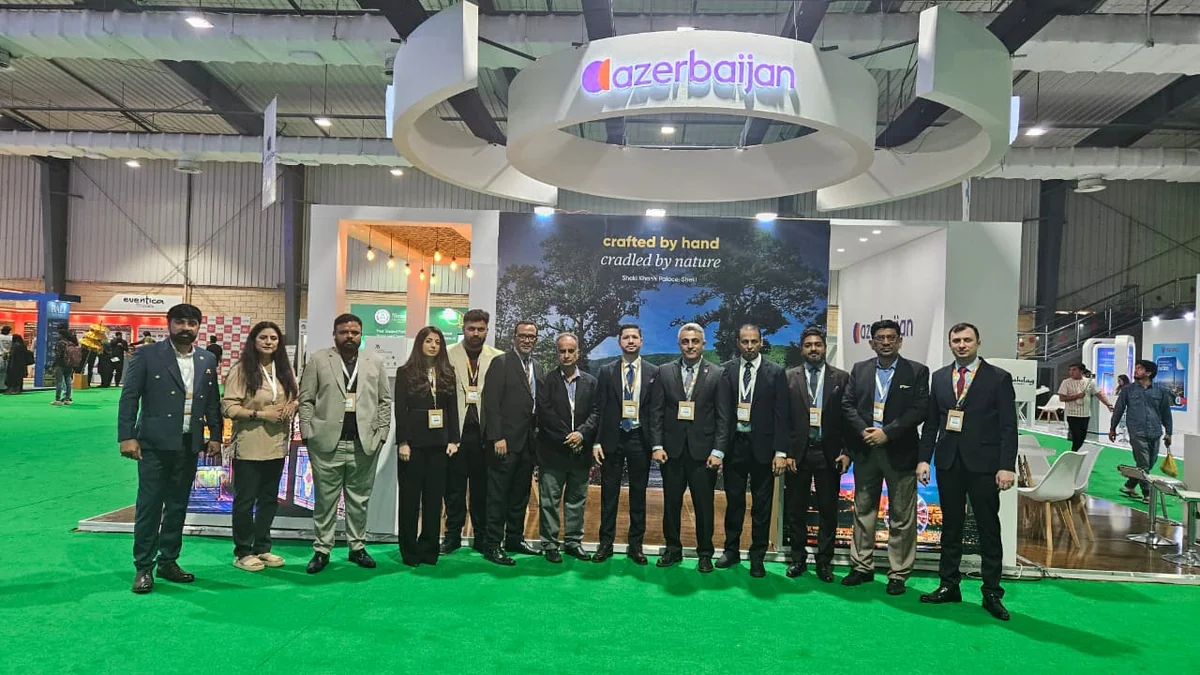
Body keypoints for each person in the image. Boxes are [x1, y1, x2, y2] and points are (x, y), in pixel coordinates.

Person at [117, 303, 222, 594]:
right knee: (150, 506)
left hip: (189, 444)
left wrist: (214, 435)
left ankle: (168, 561)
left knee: (177, 505)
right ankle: (143, 567)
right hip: (153, 444)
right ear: (169, 324)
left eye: (192, 323)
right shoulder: (147, 355)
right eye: (180, 322)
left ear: (198, 327)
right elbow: (129, 397)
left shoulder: (206, 359)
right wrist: (127, 436)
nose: (186, 328)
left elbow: (212, 401)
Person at [917, 323, 1017, 621]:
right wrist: (924, 459)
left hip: (985, 465)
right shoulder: (939, 378)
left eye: (967, 340)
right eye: (956, 340)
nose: (961, 345)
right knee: (950, 527)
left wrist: (1006, 466)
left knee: (988, 528)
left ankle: (992, 592)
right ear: (950, 344)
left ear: (978, 342)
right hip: (948, 462)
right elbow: (932, 423)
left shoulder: (998, 378)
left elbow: (1008, 426)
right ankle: (949, 585)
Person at [840, 319, 929, 595]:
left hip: (900, 452)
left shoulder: (916, 371)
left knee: (901, 516)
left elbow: (920, 409)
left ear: (900, 341)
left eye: (891, 337)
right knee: (863, 511)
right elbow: (847, 404)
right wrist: (865, 432)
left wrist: (887, 433)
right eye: (880, 338)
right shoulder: (860, 370)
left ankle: (898, 573)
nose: (886, 342)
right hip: (866, 451)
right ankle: (861, 567)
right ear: (872, 342)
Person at [297, 313, 392, 574]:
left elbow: (384, 401)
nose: (349, 336)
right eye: (344, 332)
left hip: (364, 444)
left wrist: (382, 434)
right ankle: (322, 549)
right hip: (327, 444)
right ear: (335, 334)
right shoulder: (318, 360)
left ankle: (357, 547)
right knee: (325, 501)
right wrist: (307, 432)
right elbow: (306, 399)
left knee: (359, 500)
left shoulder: (375, 362)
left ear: (361, 335)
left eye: (354, 332)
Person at [649, 323, 731, 573]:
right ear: (679, 344)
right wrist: (657, 445)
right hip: (671, 452)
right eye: (685, 341)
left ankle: (705, 553)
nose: (690, 346)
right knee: (671, 504)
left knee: (704, 506)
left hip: (703, 454)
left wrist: (718, 451)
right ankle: (672, 549)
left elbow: (723, 417)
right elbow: (656, 413)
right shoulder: (664, 372)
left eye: (695, 341)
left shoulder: (717, 373)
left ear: (703, 344)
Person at [221, 321, 299, 572]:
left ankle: (262, 547)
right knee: (245, 501)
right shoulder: (241, 370)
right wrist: (262, 415)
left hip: (277, 445)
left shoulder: (284, 369)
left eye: (273, 338)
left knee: (269, 499)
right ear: (253, 341)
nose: (268, 342)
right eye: (263, 337)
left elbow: (296, 397)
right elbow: (228, 407)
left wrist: (292, 406)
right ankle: (243, 551)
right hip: (250, 445)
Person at [717, 324, 788, 578]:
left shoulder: (776, 372)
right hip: (734, 446)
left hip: (763, 448)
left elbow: (782, 415)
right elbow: (720, 413)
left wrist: (781, 452)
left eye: (754, 341)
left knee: (762, 505)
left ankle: (758, 557)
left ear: (761, 342)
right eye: (745, 341)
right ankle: (731, 551)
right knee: (734, 502)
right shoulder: (726, 370)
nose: (749, 346)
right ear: (738, 342)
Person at [783, 326, 850, 583]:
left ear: (825, 347)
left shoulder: (841, 378)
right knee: (795, 509)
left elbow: (848, 418)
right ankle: (797, 559)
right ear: (802, 349)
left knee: (828, 510)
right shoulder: (789, 377)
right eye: (808, 345)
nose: (813, 349)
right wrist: (786, 452)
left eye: (818, 344)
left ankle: (824, 562)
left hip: (828, 453)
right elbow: (782, 419)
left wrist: (846, 452)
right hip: (797, 454)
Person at [592, 323, 659, 565]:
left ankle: (636, 546)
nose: (630, 341)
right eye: (626, 337)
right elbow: (599, 408)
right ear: (619, 342)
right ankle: (605, 544)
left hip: (640, 438)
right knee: (609, 494)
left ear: (641, 341)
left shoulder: (653, 372)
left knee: (638, 495)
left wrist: (656, 444)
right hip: (613, 438)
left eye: (634, 337)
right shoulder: (606, 371)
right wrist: (596, 441)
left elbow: (656, 411)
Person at [394, 326, 460, 567]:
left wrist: (454, 439)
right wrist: (403, 442)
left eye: (438, 342)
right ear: (420, 344)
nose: (433, 346)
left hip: (440, 445)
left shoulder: (447, 372)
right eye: (429, 341)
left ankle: (429, 549)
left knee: (434, 501)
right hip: (413, 445)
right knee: (410, 500)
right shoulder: (405, 372)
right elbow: (400, 409)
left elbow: (452, 408)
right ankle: (410, 552)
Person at [481, 321, 544, 566]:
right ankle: (492, 545)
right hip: (504, 443)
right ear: (514, 337)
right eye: (523, 336)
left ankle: (514, 539)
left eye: (531, 336)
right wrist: (497, 437)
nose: (527, 340)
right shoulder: (502, 363)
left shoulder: (537, 366)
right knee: (498, 496)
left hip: (528, 444)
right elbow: (491, 402)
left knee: (520, 496)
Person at [442, 309, 503, 555]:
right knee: (453, 489)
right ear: (463, 329)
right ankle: (452, 535)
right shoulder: (447, 354)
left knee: (482, 489)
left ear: (487, 330)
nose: (476, 333)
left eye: (480, 329)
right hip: (456, 434)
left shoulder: (498, 358)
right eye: (471, 329)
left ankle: (482, 536)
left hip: (484, 434)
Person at [536, 333, 599, 563]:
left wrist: (581, 434)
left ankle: (573, 542)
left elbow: (596, 412)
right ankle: (550, 544)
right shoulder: (546, 381)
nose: (566, 355)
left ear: (578, 353)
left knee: (577, 500)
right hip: (553, 452)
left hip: (580, 452)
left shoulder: (591, 382)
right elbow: (545, 414)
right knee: (549, 502)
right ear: (557, 353)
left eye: (571, 351)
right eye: (562, 351)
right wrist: (568, 437)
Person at [1110, 360, 1174, 502]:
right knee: (1144, 463)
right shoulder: (1128, 390)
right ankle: (1147, 493)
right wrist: (1112, 428)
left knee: (1150, 462)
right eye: (1136, 368)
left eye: (1140, 368)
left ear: (1149, 373)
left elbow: (1166, 413)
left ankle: (1129, 485)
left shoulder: (1160, 391)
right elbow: (1119, 409)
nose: (1136, 370)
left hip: (1155, 431)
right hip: (1136, 431)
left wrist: (1169, 432)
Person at [1058, 363, 1112, 452]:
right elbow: (1062, 398)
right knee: (1076, 436)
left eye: (1074, 370)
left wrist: (1108, 404)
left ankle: (1077, 453)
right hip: (1072, 414)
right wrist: (1077, 396)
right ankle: (1075, 453)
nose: (1071, 372)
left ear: (1081, 371)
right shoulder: (1066, 382)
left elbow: (1099, 394)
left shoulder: (1090, 383)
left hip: (1085, 415)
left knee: (1082, 437)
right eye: (1070, 370)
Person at [51, 329, 79, 406]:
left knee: (59, 382)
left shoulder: (60, 343)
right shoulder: (72, 343)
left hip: (60, 365)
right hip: (69, 365)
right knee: (68, 381)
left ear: (62, 335)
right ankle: (67, 399)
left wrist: (53, 364)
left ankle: (57, 399)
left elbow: (58, 355)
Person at [1114, 374, 1130, 443]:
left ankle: (1125, 437)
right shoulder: (1119, 389)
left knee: (1125, 423)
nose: (1118, 382)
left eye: (1119, 380)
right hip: (1120, 407)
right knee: (1121, 423)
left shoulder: (1128, 388)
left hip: (1126, 408)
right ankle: (1123, 437)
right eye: (1118, 380)